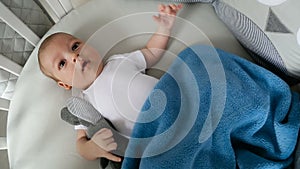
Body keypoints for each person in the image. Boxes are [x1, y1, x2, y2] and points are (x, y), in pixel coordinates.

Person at [38, 4, 182, 163]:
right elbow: (81, 144)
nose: (74, 56)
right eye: (62, 63)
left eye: (75, 46)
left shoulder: (119, 60)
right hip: (152, 140)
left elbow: (151, 52)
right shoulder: (84, 104)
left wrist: (164, 28)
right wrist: (93, 147)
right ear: (65, 85)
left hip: (175, 106)